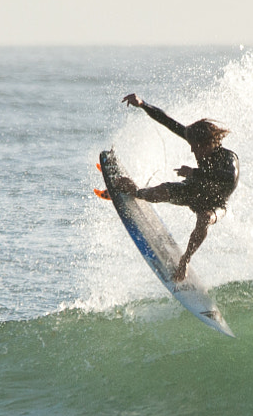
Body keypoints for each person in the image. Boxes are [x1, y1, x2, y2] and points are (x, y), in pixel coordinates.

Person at [100, 93, 239, 281]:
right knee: (159, 192)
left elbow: (229, 178)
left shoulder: (229, 158)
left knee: (205, 218)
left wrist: (194, 173)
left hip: (215, 203)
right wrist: (143, 104)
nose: (192, 150)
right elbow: (168, 121)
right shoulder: (199, 144)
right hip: (194, 190)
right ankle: (134, 191)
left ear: (208, 144)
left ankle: (185, 261)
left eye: (195, 147)